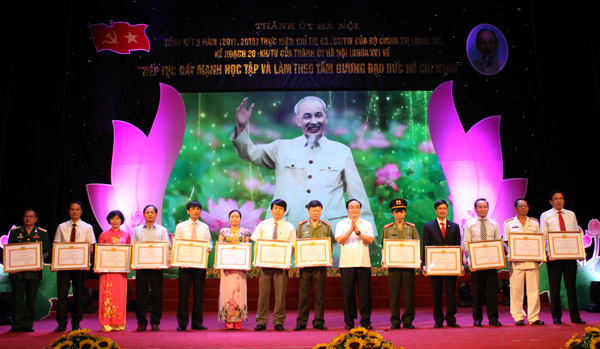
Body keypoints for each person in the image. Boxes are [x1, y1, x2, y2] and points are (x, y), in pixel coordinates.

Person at [232, 96, 377, 264]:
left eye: (318, 115)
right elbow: (248, 152)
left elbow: (357, 194)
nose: (314, 121)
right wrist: (241, 126)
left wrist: (369, 232)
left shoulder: (341, 151)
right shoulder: (281, 148)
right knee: (285, 281)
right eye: (307, 116)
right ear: (298, 120)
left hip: (331, 236)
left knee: (328, 284)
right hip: (287, 231)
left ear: (326, 118)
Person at [540, 190, 586, 325]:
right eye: (556, 199)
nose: (559, 201)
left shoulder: (571, 214)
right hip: (554, 257)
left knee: (571, 287)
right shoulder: (545, 215)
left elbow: (575, 234)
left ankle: (575, 316)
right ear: (551, 201)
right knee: (554, 288)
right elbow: (544, 236)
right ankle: (556, 317)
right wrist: (549, 253)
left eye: (561, 198)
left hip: (570, 256)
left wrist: (580, 251)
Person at [251, 199, 296, 331]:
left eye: (281, 208)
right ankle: (261, 321)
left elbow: (291, 247)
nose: (278, 211)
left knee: (280, 295)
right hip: (265, 266)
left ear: (284, 211)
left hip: (282, 267)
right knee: (263, 295)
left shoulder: (289, 227)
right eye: (275, 208)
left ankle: (278, 321)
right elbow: (257, 245)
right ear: (271, 210)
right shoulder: (262, 225)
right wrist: (256, 260)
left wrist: (288, 261)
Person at [53, 201, 96, 332]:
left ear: (81, 211)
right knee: (62, 295)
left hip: (80, 266)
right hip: (64, 266)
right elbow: (56, 246)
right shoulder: (61, 227)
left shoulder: (87, 227)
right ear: (69, 211)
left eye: (77, 209)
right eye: (72, 209)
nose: (74, 212)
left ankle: (76, 322)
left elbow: (91, 247)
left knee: (78, 295)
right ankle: (61, 323)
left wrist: (85, 261)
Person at [293, 200, 334, 331]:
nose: (316, 212)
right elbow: (298, 245)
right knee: (303, 295)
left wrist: (327, 257)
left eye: (318, 210)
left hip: (320, 266)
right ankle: (301, 322)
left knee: (319, 295)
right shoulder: (302, 226)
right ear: (309, 211)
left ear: (321, 211)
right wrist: (299, 259)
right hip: (305, 267)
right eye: (313, 210)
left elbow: (330, 245)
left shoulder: (326, 226)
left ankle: (318, 321)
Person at [503, 198, 544, 326]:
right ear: (515, 208)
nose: (523, 208)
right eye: (520, 206)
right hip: (517, 261)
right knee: (516, 290)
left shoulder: (535, 223)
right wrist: (512, 253)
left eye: (525, 206)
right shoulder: (509, 223)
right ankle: (518, 316)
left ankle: (533, 317)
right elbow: (506, 241)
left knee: (533, 290)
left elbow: (539, 240)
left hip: (532, 261)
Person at [7, 209, 49, 333]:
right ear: (23, 218)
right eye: (26, 216)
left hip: (33, 272)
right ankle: (16, 324)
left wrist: (40, 261)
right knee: (17, 299)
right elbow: (9, 250)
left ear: (36, 219)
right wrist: (11, 267)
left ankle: (27, 324)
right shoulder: (15, 232)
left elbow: (46, 250)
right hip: (17, 272)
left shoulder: (42, 233)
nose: (28, 219)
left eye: (31, 216)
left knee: (31, 299)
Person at [422, 199, 462, 328]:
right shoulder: (428, 226)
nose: (442, 211)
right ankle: (438, 319)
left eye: (445, 208)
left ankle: (451, 318)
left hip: (451, 265)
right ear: (435, 210)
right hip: (435, 266)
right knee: (437, 292)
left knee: (451, 292)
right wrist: (425, 264)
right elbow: (426, 245)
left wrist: (460, 264)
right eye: (440, 208)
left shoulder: (454, 226)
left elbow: (458, 246)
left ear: (447, 210)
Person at [335, 199, 374, 330]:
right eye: (352, 207)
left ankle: (366, 321)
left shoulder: (366, 223)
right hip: (347, 264)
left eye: (357, 207)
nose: (355, 209)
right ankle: (349, 322)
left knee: (365, 294)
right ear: (347, 210)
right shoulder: (341, 224)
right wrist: (350, 230)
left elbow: (370, 240)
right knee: (348, 295)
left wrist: (358, 232)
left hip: (363, 263)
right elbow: (339, 240)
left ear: (360, 209)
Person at [381, 198, 419, 330]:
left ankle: (408, 320)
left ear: (405, 213)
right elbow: (384, 246)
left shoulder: (411, 228)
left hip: (408, 267)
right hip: (393, 267)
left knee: (409, 294)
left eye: (401, 212)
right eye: (396, 212)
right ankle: (395, 321)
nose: (399, 214)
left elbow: (417, 245)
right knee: (394, 294)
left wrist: (417, 259)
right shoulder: (387, 229)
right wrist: (384, 259)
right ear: (392, 214)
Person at [463, 198, 502, 327]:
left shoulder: (494, 223)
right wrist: (470, 260)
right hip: (476, 263)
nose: (483, 209)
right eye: (480, 207)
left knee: (492, 292)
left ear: (488, 208)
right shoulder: (469, 224)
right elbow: (466, 243)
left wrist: (499, 258)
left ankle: (493, 318)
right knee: (477, 292)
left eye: (485, 207)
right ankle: (477, 319)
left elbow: (498, 242)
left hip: (491, 262)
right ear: (475, 209)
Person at [174, 201, 212, 331]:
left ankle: (197, 323)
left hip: (200, 266)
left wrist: (209, 248)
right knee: (183, 295)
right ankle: (182, 323)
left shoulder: (205, 227)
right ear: (188, 211)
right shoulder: (181, 226)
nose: (196, 211)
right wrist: (180, 261)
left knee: (199, 295)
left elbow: (209, 243)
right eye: (193, 209)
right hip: (184, 266)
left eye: (198, 209)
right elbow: (176, 244)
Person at [132, 204, 171, 332]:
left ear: (156, 214)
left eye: (152, 212)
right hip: (141, 268)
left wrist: (164, 263)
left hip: (157, 268)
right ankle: (141, 322)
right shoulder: (137, 230)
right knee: (141, 295)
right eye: (147, 212)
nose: (149, 214)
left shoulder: (162, 230)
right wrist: (135, 263)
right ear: (144, 215)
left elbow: (166, 248)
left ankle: (155, 322)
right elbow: (134, 248)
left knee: (156, 295)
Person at [97, 210, 131, 331]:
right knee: (106, 295)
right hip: (106, 271)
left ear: (121, 220)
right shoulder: (103, 235)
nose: (115, 221)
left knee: (119, 296)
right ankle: (106, 323)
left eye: (117, 218)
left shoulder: (126, 235)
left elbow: (128, 253)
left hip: (120, 272)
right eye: (112, 219)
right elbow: (99, 253)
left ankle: (118, 323)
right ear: (109, 220)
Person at [217, 209, 251, 330]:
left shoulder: (245, 232)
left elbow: (248, 248)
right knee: (227, 293)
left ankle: (238, 320)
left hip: (240, 268)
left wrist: (247, 264)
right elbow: (220, 248)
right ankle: (228, 319)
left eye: (237, 217)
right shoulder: (223, 232)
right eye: (232, 217)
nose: (234, 219)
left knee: (239, 293)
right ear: (229, 218)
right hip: (227, 267)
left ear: (240, 219)